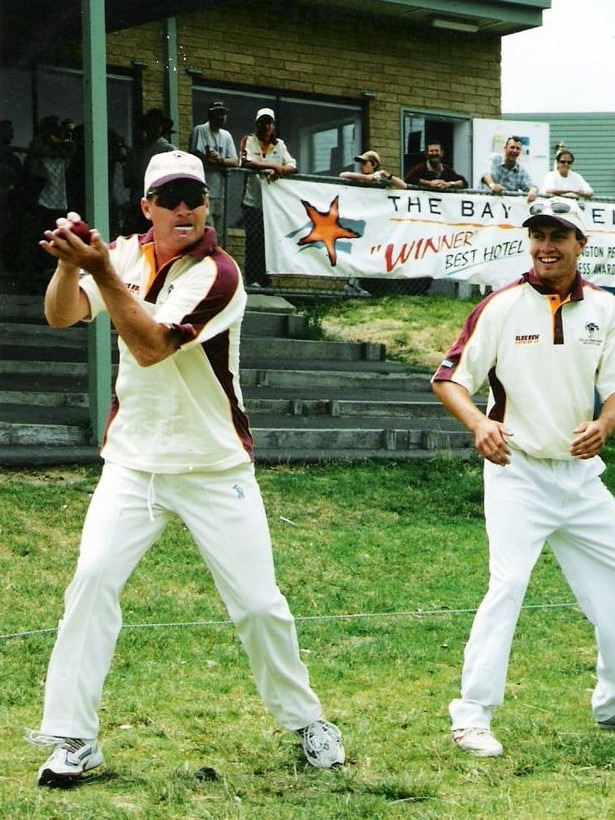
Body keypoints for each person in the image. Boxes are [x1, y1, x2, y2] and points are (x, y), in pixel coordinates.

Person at [27, 150, 345, 787]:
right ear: (146, 207)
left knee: (257, 605)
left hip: (213, 467)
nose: (183, 209)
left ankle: (306, 721)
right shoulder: (119, 254)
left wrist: (100, 272)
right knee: (90, 586)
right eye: (169, 198)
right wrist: (70, 267)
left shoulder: (221, 274)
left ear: (207, 204)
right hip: (133, 464)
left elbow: (150, 348)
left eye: (194, 197)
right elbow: (62, 314)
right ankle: (74, 738)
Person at [432, 196, 615, 758]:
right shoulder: (501, 306)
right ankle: (472, 716)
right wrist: (479, 424)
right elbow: (448, 379)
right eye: (538, 234)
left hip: (581, 479)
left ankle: (610, 702)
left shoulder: (606, 309)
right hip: (518, 473)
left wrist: (605, 424)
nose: (547, 245)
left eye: (559, 235)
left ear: (582, 244)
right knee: (507, 586)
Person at [240, 108, 297, 287]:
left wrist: (280, 171)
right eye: (263, 122)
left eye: (269, 122)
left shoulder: (280, 144)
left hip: (272, 204)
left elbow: (292, 165)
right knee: (253, 240)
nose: (266, 126)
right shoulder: (248, 140)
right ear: (257, 124)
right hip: (252, 200)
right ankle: (252, 279)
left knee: (268, 241)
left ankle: (265, 279)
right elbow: (245, 161)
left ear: (273, 125)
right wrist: (273, 166)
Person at [189, 100, 238, 239]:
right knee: (206, 232)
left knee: (220, 234)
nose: (222, 117)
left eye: (223, 114)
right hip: (203, 191)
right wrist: (210, 159)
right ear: (210, 115)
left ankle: (217, 260)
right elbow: (197, 157)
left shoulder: (226, 135)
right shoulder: (201, 130)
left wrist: (220, 160)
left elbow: (235, 161)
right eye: (218, 114)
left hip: (221, 192)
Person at [122, 108, 176, 234]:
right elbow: (128, 180)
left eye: (157, 125)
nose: (153, 128)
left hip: (159, 205)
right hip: (137, 204)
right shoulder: (136, 151)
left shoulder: (169, 150)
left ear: (162, 127)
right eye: (150, 124)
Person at [481, 136, 538, 202]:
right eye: (512, 147)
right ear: (505, 149)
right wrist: (492, 186)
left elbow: (530, 185)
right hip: (485, 203)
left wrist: (534, 189)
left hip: (506, 208)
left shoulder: (521, 170)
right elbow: (486, 174)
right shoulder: (493, 159)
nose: (515, 150)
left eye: (518, 148)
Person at [0, 119, 22, 271]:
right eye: (8, 131)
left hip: (8, 200)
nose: (11, 135)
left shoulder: (12, 158)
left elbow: (19, 179)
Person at [339, 150, 406, 189]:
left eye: (364, 162)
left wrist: (387, 175)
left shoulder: (381, 179)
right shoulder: (359, 177)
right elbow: (342, 175)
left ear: (374, 164)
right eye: (361, 163)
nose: (362, 165)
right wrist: (367, 178)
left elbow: (404, 186)